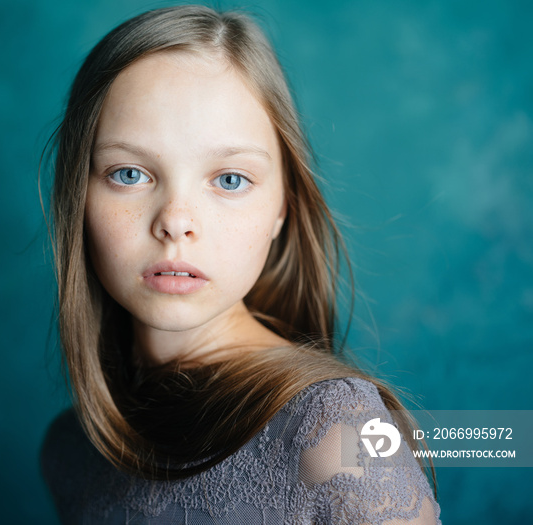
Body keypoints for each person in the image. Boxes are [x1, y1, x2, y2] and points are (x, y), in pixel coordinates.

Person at [40, 5, 441, 524]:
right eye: (130, 173)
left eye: (229, 179)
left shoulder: (335, 426)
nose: (176, 222)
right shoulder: (69, 451)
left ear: (282, 208)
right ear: (77, 197)